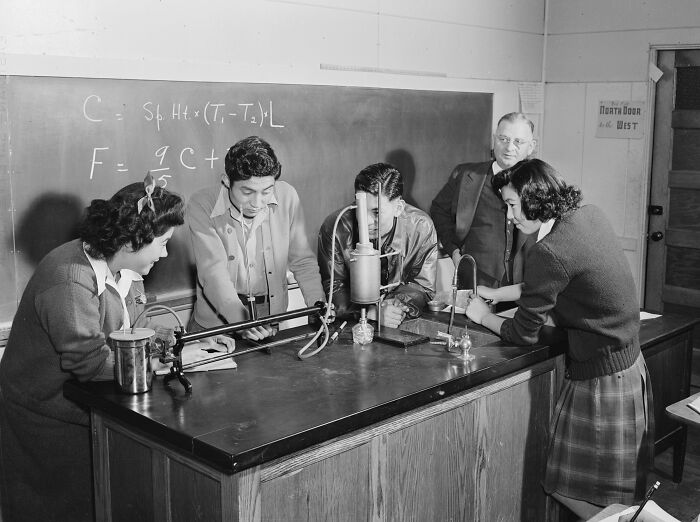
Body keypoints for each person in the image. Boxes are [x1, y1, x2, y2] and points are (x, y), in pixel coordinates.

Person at [0, 176, 223, 522]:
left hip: (92, 409)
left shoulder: (125, 270)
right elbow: (89, 363)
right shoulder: (70, 276)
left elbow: (133, 329)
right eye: (162, 243)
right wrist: (169, 360)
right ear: (134, 241)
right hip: (48, 419)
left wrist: (180, 342)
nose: (165, 253)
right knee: (61, 509)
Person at [464, 159, 653, 520]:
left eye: (512, 205)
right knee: (620, 491)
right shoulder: (587, 216)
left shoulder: (548, 252)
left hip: (601, 378)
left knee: (566, 489)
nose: (510, 217)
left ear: (535, 199)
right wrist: (497, 293)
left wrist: (481, 315)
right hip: (629, 364)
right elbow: (555, 281)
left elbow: (523, 332)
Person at [186, 135, 325, 341]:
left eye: (267, 191)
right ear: (226, 182)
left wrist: (318, 305)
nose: (257, 202)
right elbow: (213, 273)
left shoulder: (287, 196)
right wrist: (242, 321)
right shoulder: (202, 204)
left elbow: (302, 260)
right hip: (215, 326)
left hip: (270, 320)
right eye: (247, 192)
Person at [318, 163, 437, 328]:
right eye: (360, 209)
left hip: (399, 320)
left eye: (376, 212)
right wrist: (372, 312)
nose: (365, 221)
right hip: (350, 324)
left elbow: (423, 285)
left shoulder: (420, 226)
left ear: (398, 208)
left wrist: (396, 306)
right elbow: (334, 287)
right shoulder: (335, 227)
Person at [430, 112, 537, 291]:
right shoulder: (465, 175)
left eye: (518, 141)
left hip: (525, 285)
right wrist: (453, 249)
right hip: (476, 281)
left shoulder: (541, 182)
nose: (509, 147)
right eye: (503, 139)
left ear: (531, 146)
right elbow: (439, 211)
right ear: (494, 139)